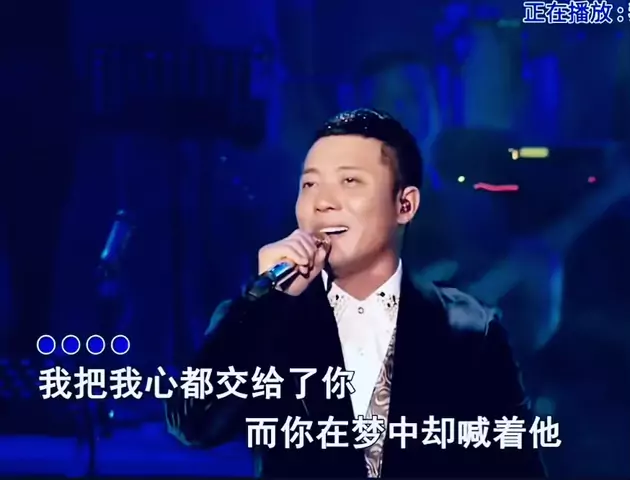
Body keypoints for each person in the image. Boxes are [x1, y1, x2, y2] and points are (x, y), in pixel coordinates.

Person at [165, 108, 545, 478]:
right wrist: (263, 301)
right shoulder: (262, 316)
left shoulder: (470, 327)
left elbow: (516, 467)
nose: (322, 202)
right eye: (310, 185)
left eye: (349, 181)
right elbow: (193, 425)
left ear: (405, 205)